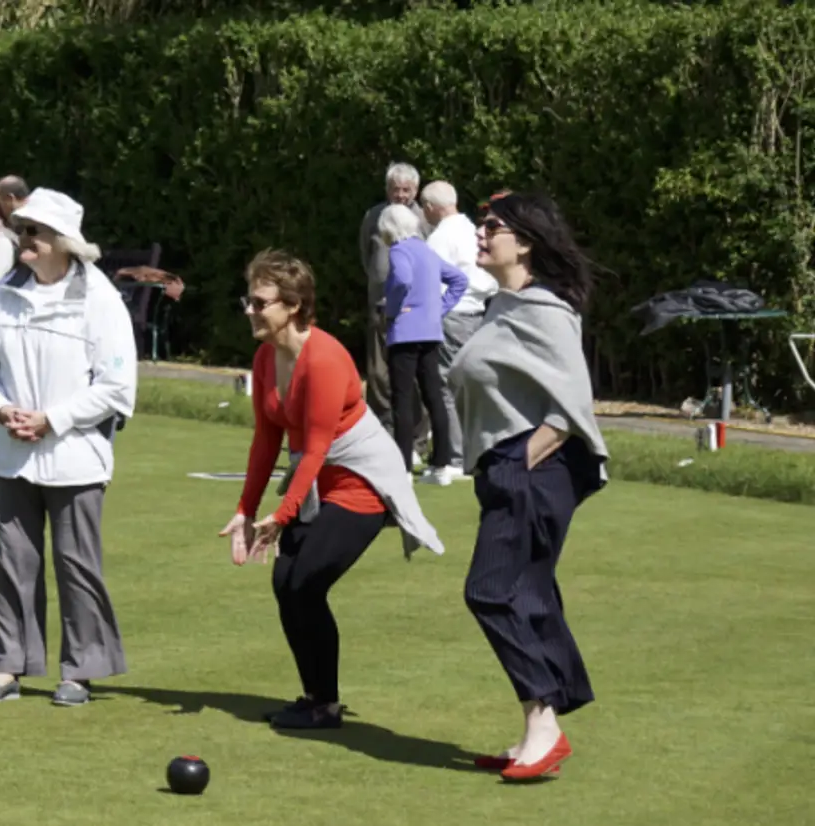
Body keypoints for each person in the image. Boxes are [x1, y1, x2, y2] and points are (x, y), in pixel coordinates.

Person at [219, 250, 443, 730]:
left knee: (306, 581)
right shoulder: (265, 357)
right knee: (285, 583)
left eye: (260, 302)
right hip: (316, 479)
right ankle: (316, 697)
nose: (250, 311)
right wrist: (245, 508)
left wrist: (281, 515)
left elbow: (317, 447)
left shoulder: (322, 358)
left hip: (360, 482)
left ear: (293, 305)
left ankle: (325, 705)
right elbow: (266, 438)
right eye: (249, 300)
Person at [450, 191, 608, 781]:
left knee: (489, 591)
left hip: (530, 469)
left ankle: (546, 724)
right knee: (531, 594)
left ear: (526, 242)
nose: (482, 231)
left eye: (493, 225)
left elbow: (572, 404)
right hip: (510, 467)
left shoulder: (543, 308)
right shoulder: (506, 305)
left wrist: (523, 461)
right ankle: (534, 733)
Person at [0, 188, 138, 708]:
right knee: (13, 562)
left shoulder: (100, 299)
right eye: (22, 229)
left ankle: (80, 670)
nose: (26, 239)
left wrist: (52, 419)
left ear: (64, 242)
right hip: (9, 450)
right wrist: (0, 408)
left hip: (75, 454)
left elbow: (116, 387)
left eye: (36, 231)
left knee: (75, 563)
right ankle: (9, 665)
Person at [420, 180, 497, 486]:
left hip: (451, 314)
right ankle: (467, 453)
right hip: (477, 311)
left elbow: (431, 283)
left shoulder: (440, 237)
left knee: (445, 386)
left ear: (430, 208)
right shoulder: (472, 229)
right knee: (465, 385)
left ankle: (454, 457)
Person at [380, 204, 467, 473]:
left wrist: (391, 309)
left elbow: (403, 280)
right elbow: (459, 280)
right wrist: (437, 309)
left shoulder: (399, 250)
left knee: (402, 399)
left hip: (405, 332)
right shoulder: (427, 251)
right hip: (430, 332)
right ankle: (440, 464)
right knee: (434, 396)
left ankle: (403, 467)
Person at [358, 162, 422, 422]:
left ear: (415, 191)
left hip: (413, 308)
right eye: (396, 189)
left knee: (413, 373)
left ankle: (417, 435)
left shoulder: (424, 219)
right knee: (377, 372)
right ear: (387, 189)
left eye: (406, 190)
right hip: (380, 305)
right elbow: (366, 254)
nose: (401, 195)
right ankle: (384, 425)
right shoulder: (373, 216)